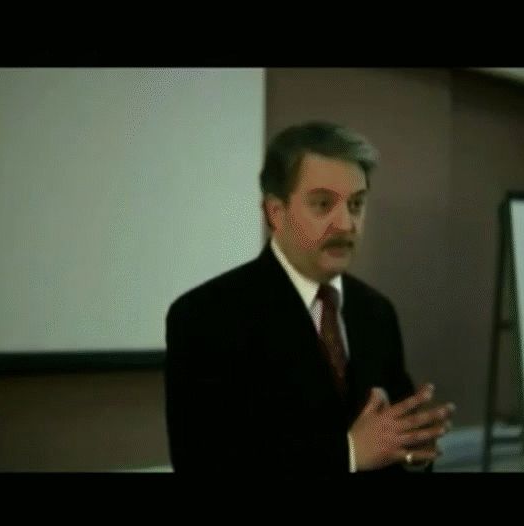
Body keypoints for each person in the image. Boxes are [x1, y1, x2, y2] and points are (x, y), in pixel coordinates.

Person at [165, 121, 455, 474]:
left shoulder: (377, 312)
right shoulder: (205, 317)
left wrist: (413, 455)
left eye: (356, 204)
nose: (346, 224)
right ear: (275, 213)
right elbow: (204, 462)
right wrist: (349, 453)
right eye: (323, 204)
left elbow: (392, 442)